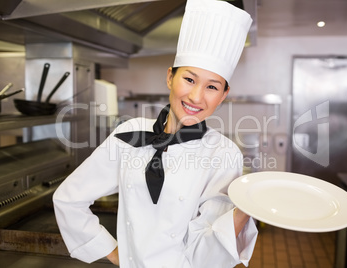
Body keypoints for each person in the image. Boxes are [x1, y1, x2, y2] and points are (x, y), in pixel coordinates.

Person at [53, 0, 258, 267]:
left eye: (212, 86)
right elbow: (69, 199)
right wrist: (115, 253)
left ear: (223, 95)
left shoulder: (224, 154)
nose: (196, 96)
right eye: (189, 79)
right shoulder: (129, 133)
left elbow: (208, 255)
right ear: (170, 77)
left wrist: (247, 208)